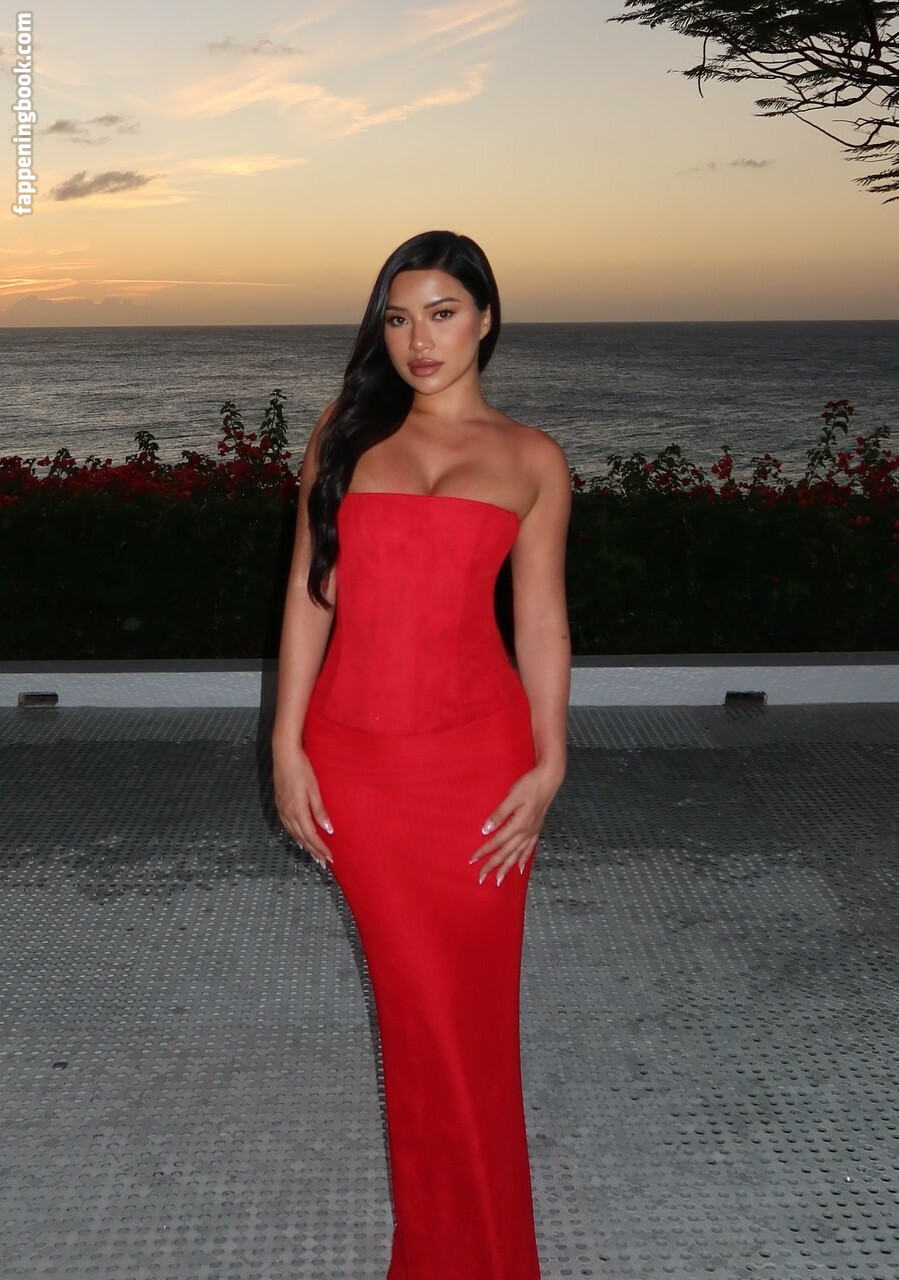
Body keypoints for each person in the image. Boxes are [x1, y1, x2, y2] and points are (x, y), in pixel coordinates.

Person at [271, 229, 571, 1280]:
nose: (418, 340)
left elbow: (541, 620)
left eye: (441, 313)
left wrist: (549, 761)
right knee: (419, 1020)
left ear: (484, 318)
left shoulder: (530, 459)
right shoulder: (344, 436)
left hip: (481, 772)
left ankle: (477, 1254)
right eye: (397, 319)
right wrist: (284, 744)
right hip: (357, 768)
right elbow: (309, 594)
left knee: (469, 1025)